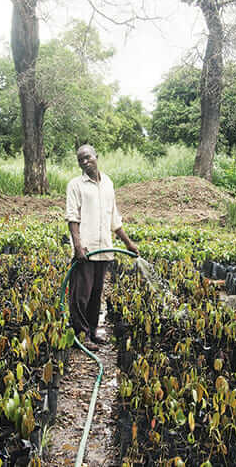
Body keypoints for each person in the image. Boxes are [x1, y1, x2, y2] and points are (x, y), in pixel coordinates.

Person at [65, 144, 139, 351]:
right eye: (80, 159)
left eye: (88, 157)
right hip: (86, 251)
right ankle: (81, 335)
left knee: (96, 294)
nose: (85, 162)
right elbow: (72, 217)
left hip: (104, 248)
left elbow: (114, 218)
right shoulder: (75, 185)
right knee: (81, 295)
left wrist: (128, 242)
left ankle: (92, 331)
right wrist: (77, 246)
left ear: (97, 156)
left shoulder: (108, 183)